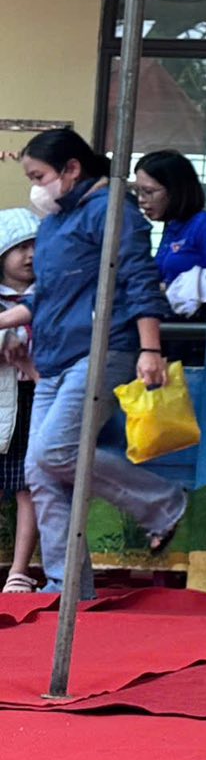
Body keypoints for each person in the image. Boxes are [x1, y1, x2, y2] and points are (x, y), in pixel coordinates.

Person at [0, 130, 185, 600]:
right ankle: (67, 587)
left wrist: (150, 349)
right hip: (54, 359)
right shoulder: (55, 222)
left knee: (55, 453)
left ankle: (163, 505)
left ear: (72, 169)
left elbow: (139, 279)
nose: (36, 187)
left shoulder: (111, 211)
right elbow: (47, 295)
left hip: (102, 351)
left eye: (38, 176)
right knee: (40, 472)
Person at [134, 150, 206, 317]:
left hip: (194, 326)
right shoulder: (171, 228)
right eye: (137, 192)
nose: (141, 199)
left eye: (149, 192)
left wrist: (174, 290)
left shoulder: (205, 224)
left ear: (174, 190)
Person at [0, 209, 39, 593]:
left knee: (28, 486)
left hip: (33, 397)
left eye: (36, 246)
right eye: (20, 247)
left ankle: (19, 570)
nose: (30, 255)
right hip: (2, 400)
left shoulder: (51, 294)